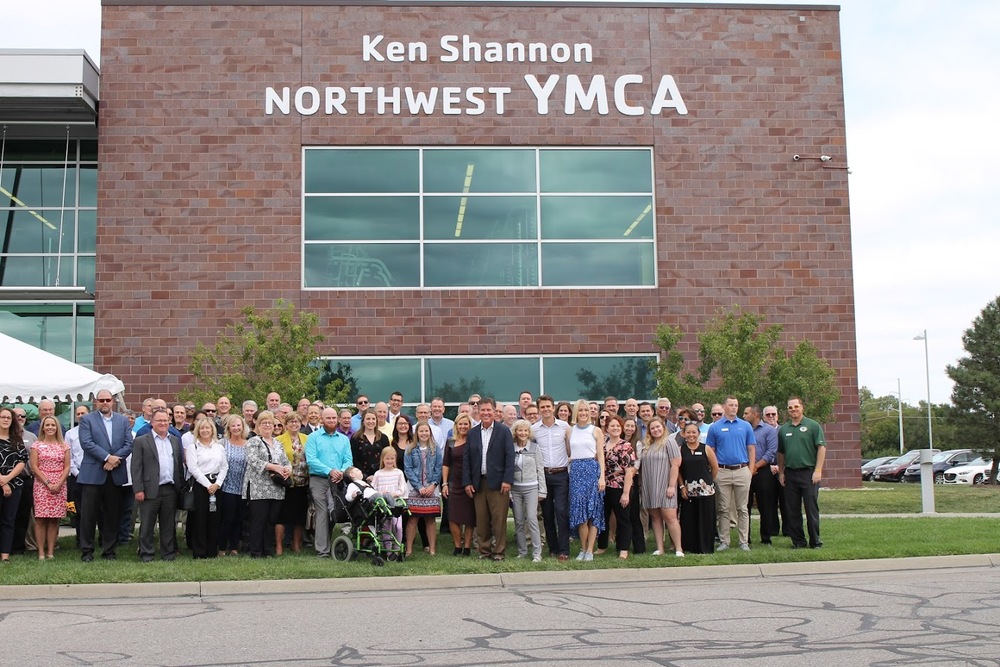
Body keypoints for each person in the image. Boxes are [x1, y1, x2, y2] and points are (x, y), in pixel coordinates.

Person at [78, 389, 134, 562]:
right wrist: (107, 457)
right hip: (93, 474)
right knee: (88, 515)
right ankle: (87, 551)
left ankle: (109, 550)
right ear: (96, 401)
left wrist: (115, 459)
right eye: (101, 400)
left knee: (112, 515)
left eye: (107, 400)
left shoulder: (122, 420)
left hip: (115, 473)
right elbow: (87, 443)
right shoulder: (87, 420)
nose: (104, 403)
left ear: (113, 401)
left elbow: (128, 443)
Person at [462, 397, 514, 561]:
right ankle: (484, 551)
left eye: (488, 410)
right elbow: (467, 459)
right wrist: (467, 482)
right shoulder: (473, 433)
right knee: (482, 519)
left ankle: (498, 552)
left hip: (499, 483)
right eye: (482, 410)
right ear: (478, 411)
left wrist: (507, 480)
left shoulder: (503, 431)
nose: (485, 413)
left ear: (494, 411)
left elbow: (509, 456)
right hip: (478, 483)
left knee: (499, 520)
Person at [131, 407, 185, 562]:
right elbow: (136, 467)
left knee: (168, 524)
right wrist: (138, 489)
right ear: (152, 423)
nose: (163, 423)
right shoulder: (142, 441)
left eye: (165, 420)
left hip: (170, 488)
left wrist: (179, 487)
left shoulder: (174, 440)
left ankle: (168, 554)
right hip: (149, 489)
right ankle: (147, 554)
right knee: (147, 524)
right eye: (159, 420)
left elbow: (178, 465)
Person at [706, 396, 756, 552]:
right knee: (723, 508)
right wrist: (714, 470)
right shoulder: (715, 427)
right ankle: (724, 541)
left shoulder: (745, 425)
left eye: (736, 405)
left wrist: (750, 469)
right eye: (731, 405)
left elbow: (751, 448)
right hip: (722, 471)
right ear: (724, 407)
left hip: (742, 470)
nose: (734, 408)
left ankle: (743, 541)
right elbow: (710, 451)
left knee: (743, 508)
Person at [778, 397, 826, 549]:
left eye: (796, 406)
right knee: (792, 510)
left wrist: (818, 470)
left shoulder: (812, 426)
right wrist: (781, 472)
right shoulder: (784, 429)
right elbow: (781, 453)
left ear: (802, 408)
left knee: (811, 508)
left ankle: (815, 541)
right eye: (790, 407)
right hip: (791, 474)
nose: (793, 410)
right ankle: (798, 541)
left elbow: (821, 448)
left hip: (809, 473)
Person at [305, 407, 352, 558]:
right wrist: (330, 470)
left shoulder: (343, 439)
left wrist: (340, 472)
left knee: (336, 511)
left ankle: (331, 543)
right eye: (328, 418)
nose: (331, 420)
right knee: (322, 511)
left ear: (337, 419)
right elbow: (311, 460)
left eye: (333, 418)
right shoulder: (313, 438)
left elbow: (348, 460)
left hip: (338, 479)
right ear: (321, 420)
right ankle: (322, 550)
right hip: (319, 479)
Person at [244, 411, 291, 558]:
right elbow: (253, 460)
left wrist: (288, 469)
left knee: (271, 520)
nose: (267, 425)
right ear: (257, 426)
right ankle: (256, 551)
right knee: (259, 520)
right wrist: (274, 467)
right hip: (259, 487)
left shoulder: (278, 443)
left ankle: (267, 549)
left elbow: (285, 461)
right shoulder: (254, 441)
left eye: (270, 423)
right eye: (263, 423)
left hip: (276, 488)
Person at [532, 395, 571, 561]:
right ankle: (553, 548)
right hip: (544, 475)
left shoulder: (564, 427)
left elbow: (571, 449)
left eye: (548, 406)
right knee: (547, 514)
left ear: (553, 408)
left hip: (561, 474)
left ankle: (564, 549)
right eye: (543, 407)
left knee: (561, 512)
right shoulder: (534, 429)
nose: (546, 409)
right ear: (539, 409)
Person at [567, 399, 605, 561]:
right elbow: (569, 452)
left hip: (592, 470)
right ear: (576, 412)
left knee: (593, 512)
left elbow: (601, 455)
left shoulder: (595, 431)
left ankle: (590, 550)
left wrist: (602, 476)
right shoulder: (570, 431)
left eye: (586, 410)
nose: (583, 413)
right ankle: (582, 548)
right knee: (580, 514)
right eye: (580, 410)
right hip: (576, 473)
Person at [639, 416, 683, 557]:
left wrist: (671, 486)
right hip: (650, 486)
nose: (655, 430)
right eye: (652, 428)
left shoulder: (669, 442)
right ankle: (660, 548)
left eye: (658, 427)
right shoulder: (647, 445)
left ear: (663, 427)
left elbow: (675, 465)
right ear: (649, 431)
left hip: (665, 485)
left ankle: (678, 549)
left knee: (670, 517)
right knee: (656, 518)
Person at [185, 416, 228, 559]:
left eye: (207, 428)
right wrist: (208, 485)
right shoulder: (193, 447)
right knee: (200, 519)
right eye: (202, 428)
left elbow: (224, 466)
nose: (205, 430)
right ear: (198, 430)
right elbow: (193, 468)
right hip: (201, 486)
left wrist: (217, 484)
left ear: (212, 430)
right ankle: (199, 551)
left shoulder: (219, 447)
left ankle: (211, 551)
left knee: (214, 519)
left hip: (217, 486)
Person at [596, 415, 637, 559]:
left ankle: (623, 548)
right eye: (612, 426)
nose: (615, 428)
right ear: (606, 428)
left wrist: (626, 493)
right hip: (603, 486)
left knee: (623, 518)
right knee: (603, 517)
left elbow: (629, 471)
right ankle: (602, 545)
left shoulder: (625, 446)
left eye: (618, 426)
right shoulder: (602, 445)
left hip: (619, 486)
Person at [29, 415, 68, 560]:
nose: (50, 427)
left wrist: (58, 483)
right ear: (43, 428)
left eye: (53, 425)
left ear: (57, 427)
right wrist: (47, 483)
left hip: (60, 484)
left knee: (54, 519)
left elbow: (67, 466)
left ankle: (51, 551)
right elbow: (34, 467)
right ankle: (40, 552)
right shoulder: (36, 445)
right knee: (40, 519)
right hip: (41, 484)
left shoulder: (64, 445)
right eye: (47, 425)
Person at [678, 422, 719, 554]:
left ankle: (705, 547)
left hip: (705, 490)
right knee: (689, 519)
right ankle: (690, 546)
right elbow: (677, 470)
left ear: (698, 434)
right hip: (688, 490)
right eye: (688, 432)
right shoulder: (680, 449)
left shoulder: (706, 448)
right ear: (684, 434)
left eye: (694, 432)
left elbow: (715, 468)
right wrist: (682, 486)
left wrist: (708, 482)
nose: (691, 435)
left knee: (705, 519)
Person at [403, 421, 442, 556]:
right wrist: (419, 487)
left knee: (430, 519)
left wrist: (433, 485)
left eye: (426, 431)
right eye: (421, 431)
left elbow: (438, 468)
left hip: (432, 487)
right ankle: (408, 549)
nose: (424, 433)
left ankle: (432, 549)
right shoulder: (410, 449)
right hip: (415, 489)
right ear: (416, 433)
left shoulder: (435, 448)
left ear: (430, 433)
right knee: (413, 519)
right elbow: (408, 469)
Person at [511, 418, 545, 562]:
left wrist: (542, 490)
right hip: (515, 488)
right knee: (518, 520)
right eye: (520, 430)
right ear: (515, 432)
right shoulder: (511, 447)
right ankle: (522, 551)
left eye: (525, 430)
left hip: (531, 487)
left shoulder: (534, 448)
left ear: (529, 432)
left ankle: (537, 553)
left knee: (531, 518)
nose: (523, 433)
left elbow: (540, 469)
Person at [275, 411, 309, 555]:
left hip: (303, 482)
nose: (294, 424)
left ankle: (296, 544)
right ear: (286, 424)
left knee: (300, 516)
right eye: (291, 422)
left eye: (296, 421)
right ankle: (279, 546)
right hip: (286, 482)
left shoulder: (307, 438)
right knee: (282, 515)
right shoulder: (279, 440)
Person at [744, 404, 779, 545]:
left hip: (763, 471)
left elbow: (771, 452)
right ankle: (745, 538)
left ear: (755, 414)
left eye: (746, 413)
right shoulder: (743, 429)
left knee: (765, 505)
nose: (744, 416)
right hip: (745, 470)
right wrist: (748, 468)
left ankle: (766, 537)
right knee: (744, 506)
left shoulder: (769, 431)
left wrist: (756, 466)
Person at [441, 413, 475, 556]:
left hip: (469, 483)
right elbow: (446, 464)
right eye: (460, 424)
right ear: (456, 426)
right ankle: (457, 545)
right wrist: (444, 483)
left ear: (470, 425)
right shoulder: (450, 442)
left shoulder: (474, 441)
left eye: (465, 424)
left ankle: (467, 547)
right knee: (453, 516)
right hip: (453, 483)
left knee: (469, 517)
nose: (463, 426)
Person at [218, 414, 250, 556]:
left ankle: (234, 547)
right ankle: (222, 547)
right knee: (227, 518)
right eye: (233, 425)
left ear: (243, 427)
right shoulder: (222, 443)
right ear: (229, 428)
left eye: (239, 425)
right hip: (226, 487)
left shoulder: (249, 444)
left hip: (243, 487)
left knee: (239, 518)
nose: (236, 428)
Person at [0, 407, 29, 563]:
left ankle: (5, 555)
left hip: (15, 485)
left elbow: (22, 461)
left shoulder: (16, 439)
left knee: (9, 521)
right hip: (3, 483)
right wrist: (3, 481)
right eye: (2, 417)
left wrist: (8, 479)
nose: (5, 420)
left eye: (8, 418)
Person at [372, 446, 407, 550]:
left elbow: (402, 489)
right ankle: (388, 550)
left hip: (395, 505)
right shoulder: (378, 474)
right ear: (383, 459)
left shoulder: (398, 473)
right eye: (387, 458)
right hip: (383, 506)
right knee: (386, 528)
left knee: (398, 527)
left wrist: (392, 494)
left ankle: (397, 548)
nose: (389, 461)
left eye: (392, 458)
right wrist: (382, 494)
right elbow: (373, 490)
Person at [354, 411, 391, 480]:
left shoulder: (383, 438)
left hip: (381, 477)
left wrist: (379, 474)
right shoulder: (355, 438)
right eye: (368, 419)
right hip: (362, 477)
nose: (371, 421)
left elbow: (387, 457)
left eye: (373, 419)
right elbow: (355, 459)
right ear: (363, 421)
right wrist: (365, 476)